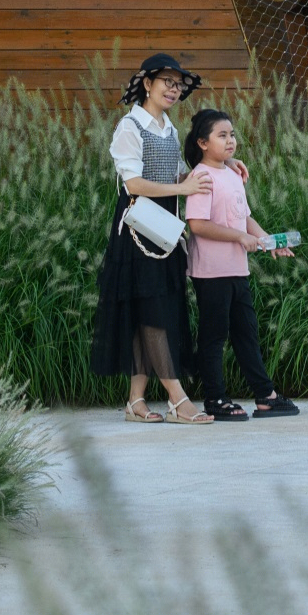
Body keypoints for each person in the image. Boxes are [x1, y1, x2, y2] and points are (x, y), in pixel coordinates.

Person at [91, 53, 212, 423]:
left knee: (150, 313)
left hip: (164, 227)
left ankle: (135, 401)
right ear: (147, 84)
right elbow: (133, 184)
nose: (173, 90)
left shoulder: (169, 128)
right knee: (154, 313)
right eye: (167, 83)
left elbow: (180, 175)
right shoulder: (130, 127)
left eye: (178, 85)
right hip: (137, 228)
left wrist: (220, 167)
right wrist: (182, 187)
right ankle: (177, 398)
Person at [182, 108, 300, 421]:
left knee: (247, 332)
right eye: (222, 135)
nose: (231, 140)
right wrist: (238, 237)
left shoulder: (232, 174)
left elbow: (243, 216)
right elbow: (197, 224)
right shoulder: (201, 176)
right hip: (211, 271)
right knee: (214, 335)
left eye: (232, 134)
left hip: (237, 269)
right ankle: (215, 399)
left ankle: (266, 396)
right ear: (203, 143)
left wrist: (268, 241)